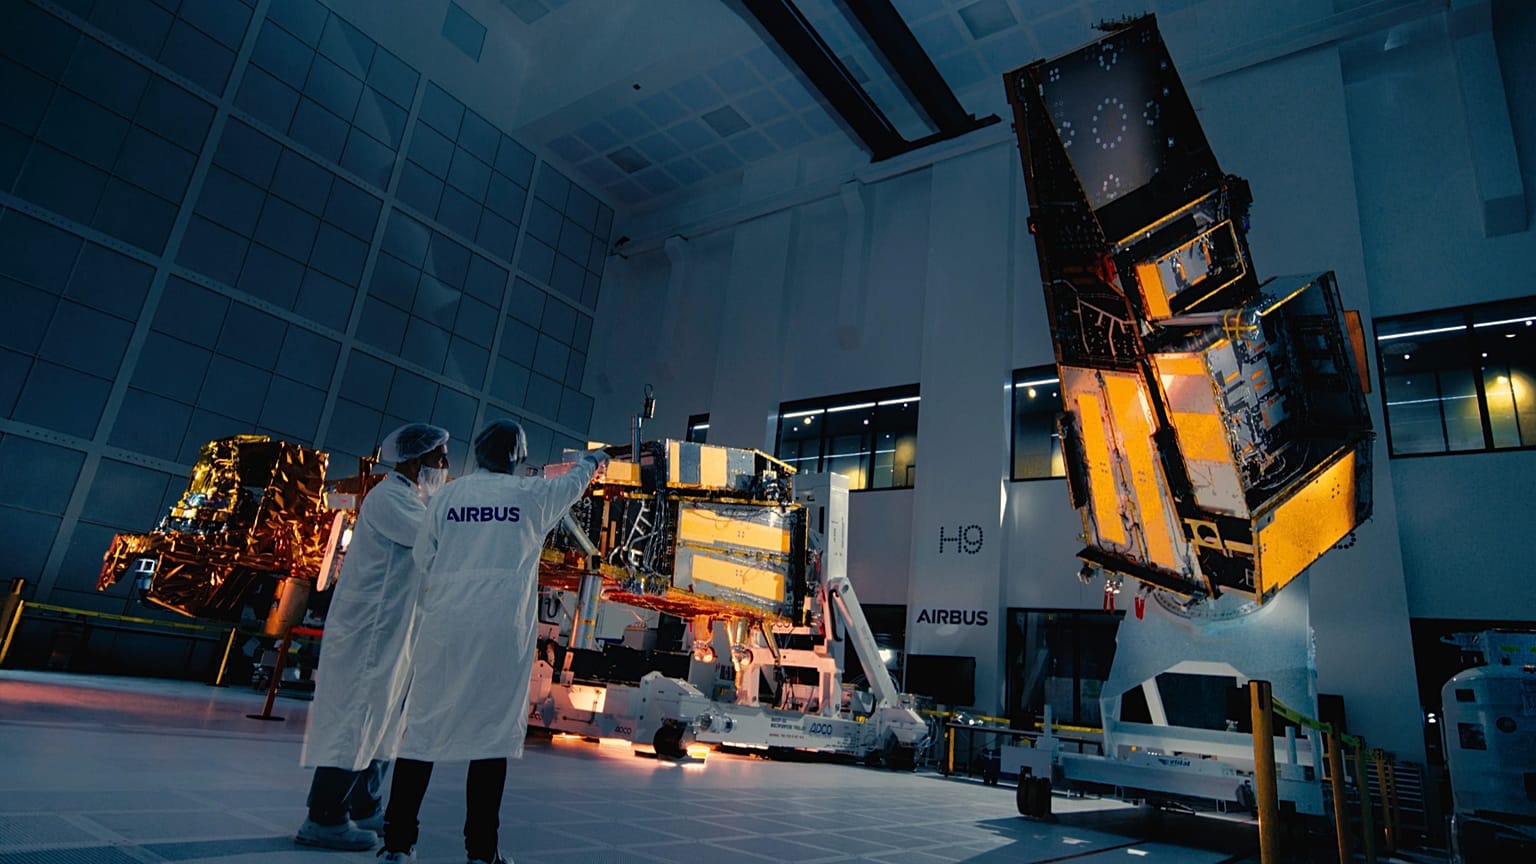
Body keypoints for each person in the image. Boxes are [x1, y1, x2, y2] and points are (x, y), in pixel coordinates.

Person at [379, 419, 607, 864]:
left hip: (445, 628)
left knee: (421, 732)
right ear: (517, 457)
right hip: (500, 635)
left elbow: (424, 557)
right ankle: (481, 852)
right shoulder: (532, 496)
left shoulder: (448, 495)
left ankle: (397, 844)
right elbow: (575, 485)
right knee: (490, 740)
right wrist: (593, 462)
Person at [294, 423, 452, 850]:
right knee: (356, 722)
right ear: (416, 460)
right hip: (371, 635)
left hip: (396, 636)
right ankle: (323, 818)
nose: (446, 466)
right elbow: (437, 544)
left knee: (384, 725)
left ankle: (365, 807)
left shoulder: (413, 500)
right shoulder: (391, 498)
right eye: (441, 458)